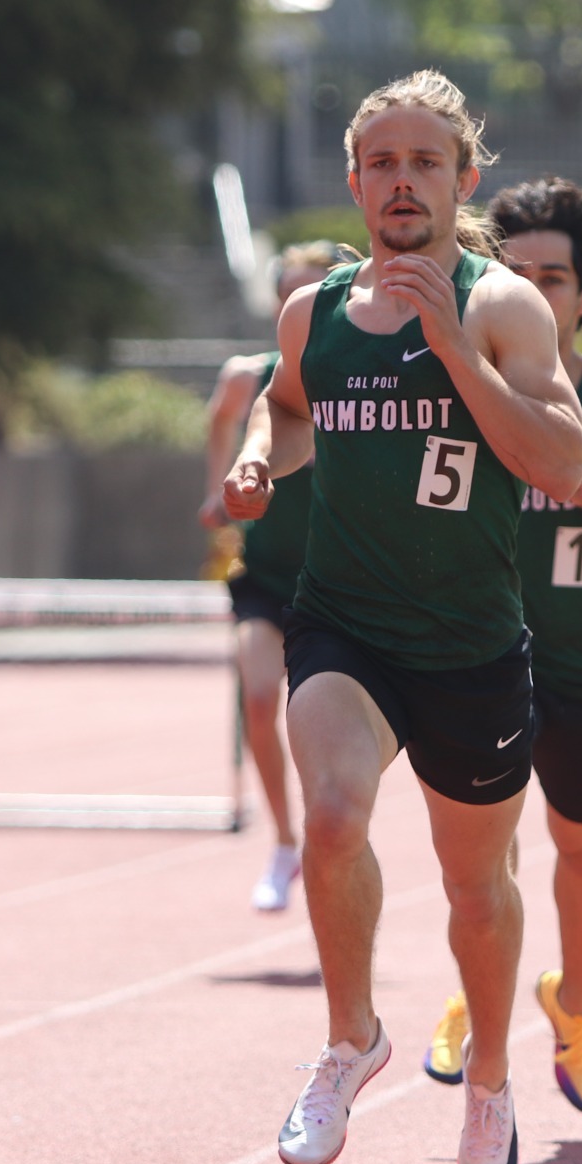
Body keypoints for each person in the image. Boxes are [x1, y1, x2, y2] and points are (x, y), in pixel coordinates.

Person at [222, 70, 582, 1164]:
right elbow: (285, 407)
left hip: (470, 641)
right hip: (345, 624)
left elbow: (560, 465)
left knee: (474, 886)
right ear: (353, 180)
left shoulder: (501, 308)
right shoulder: (313, 312)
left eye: (424, 162)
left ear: (461, 178)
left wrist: (455, 348)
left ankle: (488, 1073)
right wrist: (252, 458)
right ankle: (349, 1040)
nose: (400, 181)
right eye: (380, 162)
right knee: (331, 811)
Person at [422, 178, 582, 1111]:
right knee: (479, 859)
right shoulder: (455, 385)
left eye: (554, 276)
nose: (531, 289)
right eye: (513, 271)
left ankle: (574, 1011)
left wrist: (581, 485)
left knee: (579, 846)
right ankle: (475, 998)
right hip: (479, 656)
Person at [200, 241, 347, 911]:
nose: (304, 306)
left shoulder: (359, 379)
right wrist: (215, 490)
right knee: (259, 697)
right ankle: (285, 840)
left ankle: (331, 840)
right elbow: (221, 417)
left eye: (316, 293)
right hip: (263, 577)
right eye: (292, 293)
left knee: (322, 727)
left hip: (339, 581)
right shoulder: (250, 375)